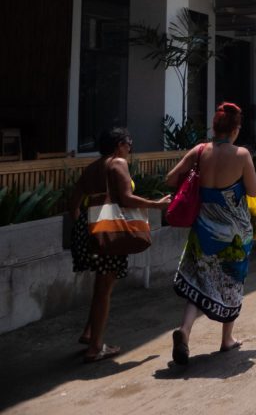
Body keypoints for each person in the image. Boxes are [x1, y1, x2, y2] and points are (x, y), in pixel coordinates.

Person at [166, 103, 256, 366]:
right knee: (231, 281)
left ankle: (184, 331)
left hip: (203, 229)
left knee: (197, 279)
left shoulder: (199, 151)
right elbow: (252, 192)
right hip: (233, 232)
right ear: (235, 130)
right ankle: (226, 338)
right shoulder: (241, 155)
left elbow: (171, 179)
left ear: (214, 127)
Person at [69, 128, 170, 362]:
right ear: (118, 145)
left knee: (100, 285)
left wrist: (82, 226)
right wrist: (157, 204)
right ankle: (95, 347)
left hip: (89, 230)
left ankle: (88, 333)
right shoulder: (118, 164)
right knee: (104, 289)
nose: (130, 148)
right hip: (108, 231)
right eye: (128, 143)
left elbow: (73, 203)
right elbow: (126, 198)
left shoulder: (92, 167)